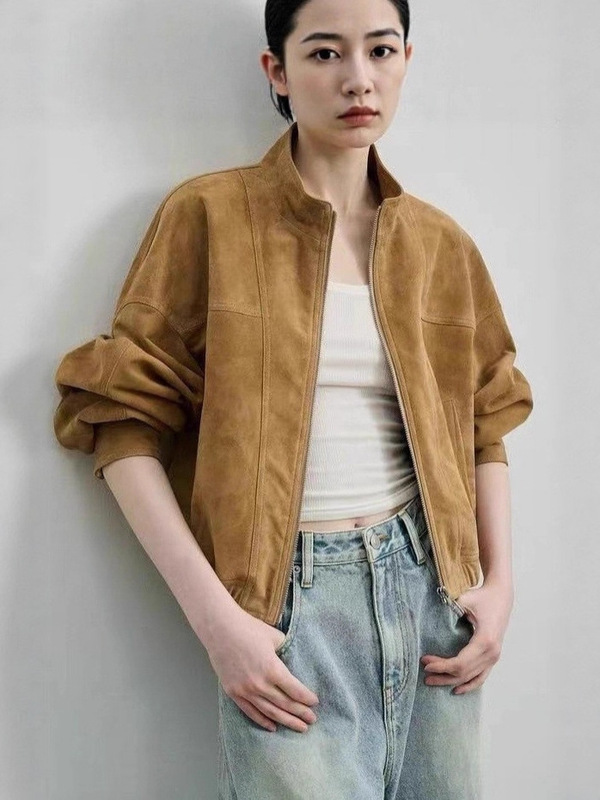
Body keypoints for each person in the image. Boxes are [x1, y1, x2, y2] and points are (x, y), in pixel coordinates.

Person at [53, 0, 534, 797]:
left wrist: (500, 587)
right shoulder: (209, 216)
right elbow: (119, 423)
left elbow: (487, 421)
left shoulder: (441, 246)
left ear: (406, 61)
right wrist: (219, 624)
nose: (358, 79)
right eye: (324, 53)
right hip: (285, 611)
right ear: (277, 71)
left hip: (432, 601)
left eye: (381, 50)